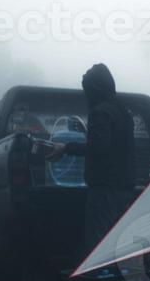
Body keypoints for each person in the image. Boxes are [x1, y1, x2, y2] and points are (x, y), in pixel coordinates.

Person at [49, 63, 136, 257]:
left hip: (104, 189)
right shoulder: (123, 112)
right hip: (125, 187)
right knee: (120, 240)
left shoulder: (100, 112)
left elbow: (99, 147)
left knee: (100, 243)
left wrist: (66, 148)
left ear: (93, 89)